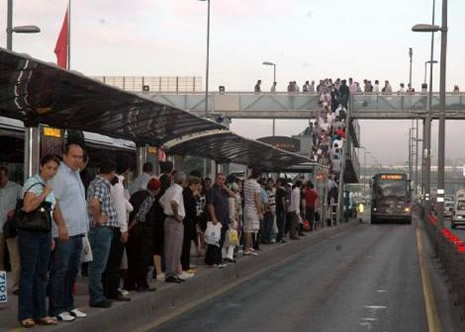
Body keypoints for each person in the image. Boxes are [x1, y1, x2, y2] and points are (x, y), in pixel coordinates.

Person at [17, 155, 61, 328]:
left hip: (43, 234)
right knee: (29, 274)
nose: (51, 171)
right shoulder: (32, 183)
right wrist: (44, 194)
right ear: (41, 166)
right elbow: (28, 207)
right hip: (29, 234)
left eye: (55, 168)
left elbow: (48, 216)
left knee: (42, 274)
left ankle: (41, 312)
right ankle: (26, 314)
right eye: (49, 167)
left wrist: (49, 236)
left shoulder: (50, 186)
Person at [49, 143, 88, 321]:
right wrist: (62, 225)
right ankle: (56, 308)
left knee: (73, 270)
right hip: (64, 233)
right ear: (64, 156)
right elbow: (54, 201)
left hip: (78, 232)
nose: (78, 160)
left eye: (80, 157)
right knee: (60, 270)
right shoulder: (59, 175)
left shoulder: (76, 174)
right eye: (74, 156)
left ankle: (69, 305)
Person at [87, 160, 118, 308]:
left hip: (100, 229)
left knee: (97, 264)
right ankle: (96, 297)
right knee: (98, 265)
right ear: (112, 172)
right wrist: (99, 218)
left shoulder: (95, 183)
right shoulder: (101, 185)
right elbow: (94, 203)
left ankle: (97, 294)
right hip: (102, 229)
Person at [103, 155, 133, 302]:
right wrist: (124, 229)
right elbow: (121, 209)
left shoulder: (107, 184)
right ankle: (113, 290)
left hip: (108, 226)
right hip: (116, 227)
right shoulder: (118, 186)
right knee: (114, 261)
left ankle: (107, 289)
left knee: (108, 260)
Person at [125, 178, 161, 291]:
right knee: (142, 259)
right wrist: (129, 228)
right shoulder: (149, 198)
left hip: (133, 234)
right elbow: (140, 216)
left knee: (132, 258)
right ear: (157, 189)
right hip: (142, 233)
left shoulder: (136, 194)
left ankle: (129, 283)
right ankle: (141, 283)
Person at [159, 172, 186, 284]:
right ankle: (171, 273)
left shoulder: (169, 189)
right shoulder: (178, 190)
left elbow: (161, 201)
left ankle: (172, 272)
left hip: (168, 219)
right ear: (183, 181)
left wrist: (167, 210)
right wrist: (176, 214)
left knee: (172, 248)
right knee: (174, 248)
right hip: (174, 221)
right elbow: (173, 202)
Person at [0, 166, 22, 296]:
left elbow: (24, 203)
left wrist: (16, 211)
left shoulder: (16, 188)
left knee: (15, 258)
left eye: (1, 178)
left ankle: (16, 286)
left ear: (7, 176)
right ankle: (1, 288)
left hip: (11, 228)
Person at [206, 173, 235, 266]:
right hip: (216, 219)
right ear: (215, 179)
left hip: (224, 218)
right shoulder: (212, 190)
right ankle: (213, 260)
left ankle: (217, 259)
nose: (221, 181)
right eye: (219, 179)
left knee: (221, 240)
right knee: (215, 240)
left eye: (223, 179)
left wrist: (225, 188)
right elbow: (210, 204)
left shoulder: (223, 191)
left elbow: (233, 195)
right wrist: (213, 217)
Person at [181, 176, 201, 272]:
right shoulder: (187, 194)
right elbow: (190, 208)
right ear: (193, 184)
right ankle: (185, 265)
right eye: (197, 185)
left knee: (187, 244)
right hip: (188, 221)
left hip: (189, 221)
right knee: (186, 244)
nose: (199, 187)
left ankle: (186, 264)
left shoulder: (188, 193)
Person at [243, 168, 263, 255]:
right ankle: (247, 249)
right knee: (249, 230)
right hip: (252, 209)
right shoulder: (256, 185)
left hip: (246, 207)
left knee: (247, 229)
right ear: (259, 176)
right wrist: (260, 212)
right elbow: (257, 199)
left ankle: (249, 247)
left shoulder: (246, 183)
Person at [275, 179, 287, 243]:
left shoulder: (277, 190)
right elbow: (283, 200)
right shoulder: (283, 191)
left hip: (277, 209)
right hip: (281, 210)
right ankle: (280, 238)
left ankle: (278, 237)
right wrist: (285, 208)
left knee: (278, 224)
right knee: (282, 224)